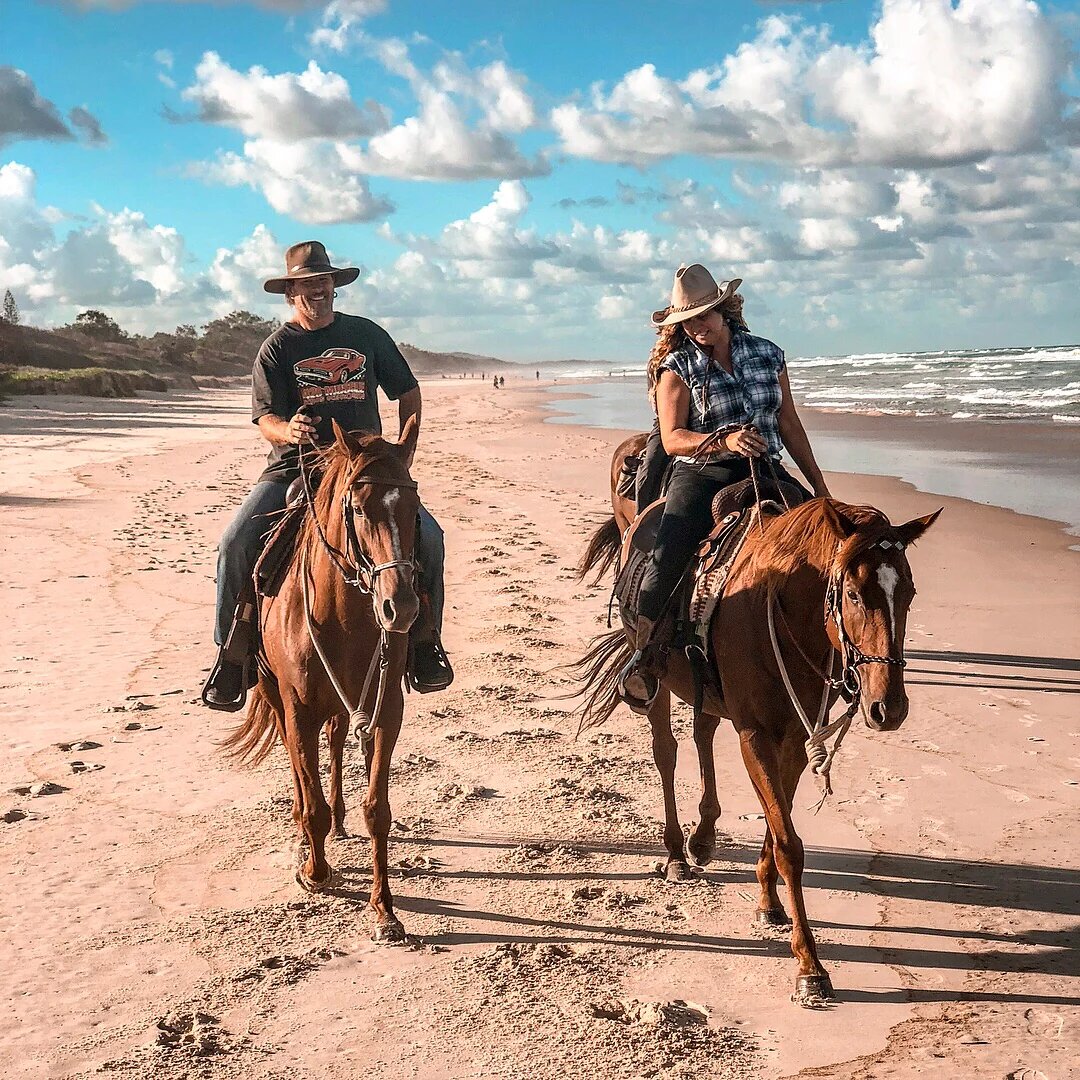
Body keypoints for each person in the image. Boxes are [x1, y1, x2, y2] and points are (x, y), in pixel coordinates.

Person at [204, 240, 453, 708]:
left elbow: (408, 390)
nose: (315, 291)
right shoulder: (278, 348)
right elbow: (263, 418)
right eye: (304, 285)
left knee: (431, 538)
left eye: (321, 281)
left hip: (365, 470)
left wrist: (403, 454)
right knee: (235, 542)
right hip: (297, 466)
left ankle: (425, 644)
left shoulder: (367, 334)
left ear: (334, 287)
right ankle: (231, 657)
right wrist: (287, 428)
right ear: (290, 294)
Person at [617, 263, 831, 713]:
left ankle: (838, 653)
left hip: (765, 471)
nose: (697, 327)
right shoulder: (677, 366)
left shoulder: (769, 354)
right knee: (667, 553)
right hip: (703, 472)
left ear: (725, 309)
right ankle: (645, 655)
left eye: (704, 316)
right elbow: (673, 437)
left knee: (830, 551)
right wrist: (722, 439)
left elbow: (788, 424)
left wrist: (819, 488)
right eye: (688, 321)